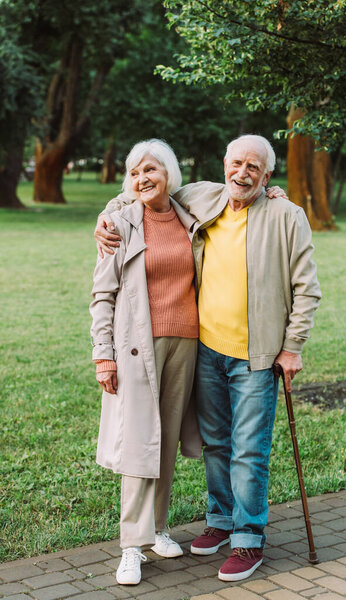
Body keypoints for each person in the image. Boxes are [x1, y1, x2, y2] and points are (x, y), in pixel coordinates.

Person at [95, 134, 321, 582]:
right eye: (237, 163)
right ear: (223, 164)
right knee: (214, 445)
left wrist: (292, 346)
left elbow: (306, 287)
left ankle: (247, 539)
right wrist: (106, 215)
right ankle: (217, 521)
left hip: (253, 356)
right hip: (206, 350)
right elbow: (145, 186)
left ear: (268, 176)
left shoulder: (286, 214)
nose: (243, 173)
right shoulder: (203, 198)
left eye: (254, 168)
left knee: (249, 450)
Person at [90, 139, 203, 586]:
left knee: (167, 438)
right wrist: (103, 354)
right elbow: (102, 294)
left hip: (186, 342)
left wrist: (276, 192)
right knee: (139, 441)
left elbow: (235, 189)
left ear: (169, 173)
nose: (142, 179)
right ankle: (131, 547)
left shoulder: (188, 215)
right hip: (137, 344)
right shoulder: (118, 222)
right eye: (135, 172)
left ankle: (158, 529)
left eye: (151, 170)